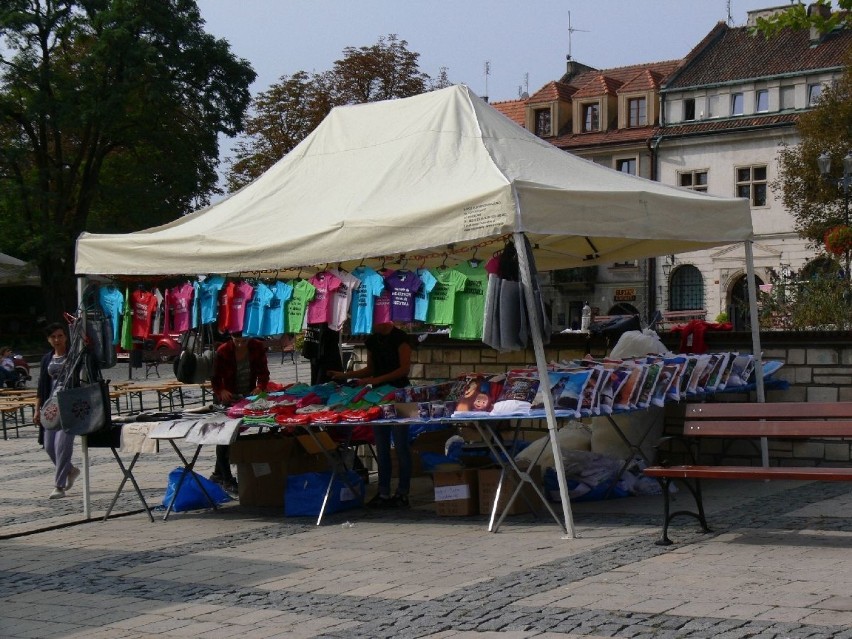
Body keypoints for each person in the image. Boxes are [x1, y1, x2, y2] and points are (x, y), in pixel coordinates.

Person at [329, 321, 412, 508]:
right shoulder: (372, 340)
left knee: (401, 446)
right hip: (378, 397)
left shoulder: (401, 338)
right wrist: (345, 375)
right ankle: (383, 492)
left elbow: (404, 369)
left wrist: (376, 380)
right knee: (381, 446)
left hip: (400, 395)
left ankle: (403, 492)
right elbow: (370, 368)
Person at [210, 330, 270, 493]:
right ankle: (226, 478)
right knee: (225, 436)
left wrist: (260, 387)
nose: (241, 344)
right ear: (232, 338)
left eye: (244, 341)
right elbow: (215, 377)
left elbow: (263, 373)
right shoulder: (223, 351)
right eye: (237, 341)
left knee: (233, 435)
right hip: (227, 398)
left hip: (246, 396)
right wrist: (220, 391)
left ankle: (218, 474)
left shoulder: (257, 347)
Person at [33, 323, 80, 499]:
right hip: (50, 408)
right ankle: (70, 470)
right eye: (53, 337)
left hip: (68, 407)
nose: (57, 339)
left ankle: (59, 486)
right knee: (48, 446)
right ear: (49, 340)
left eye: (60, 336)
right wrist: (37, 410)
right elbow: (41, 386)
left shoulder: (74, 355)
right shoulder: (47, 359)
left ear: (65, 337)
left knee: (62, 446)